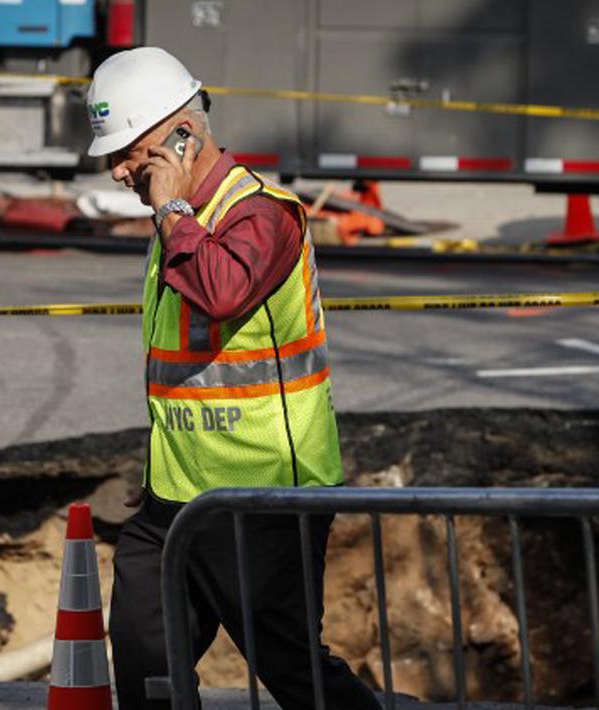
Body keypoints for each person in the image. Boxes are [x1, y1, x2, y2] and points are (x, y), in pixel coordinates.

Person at [85, 47, 382, 710]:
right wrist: (163, 466)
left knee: (289, 666)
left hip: (265, 494)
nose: (118, 169)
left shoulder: (261, 215)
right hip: (178, 497)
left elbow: (221, 293)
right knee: (142, 652)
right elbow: (183, 372)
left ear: (182, 136)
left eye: (129, 151)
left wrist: (170, 216)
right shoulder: (176, 227)